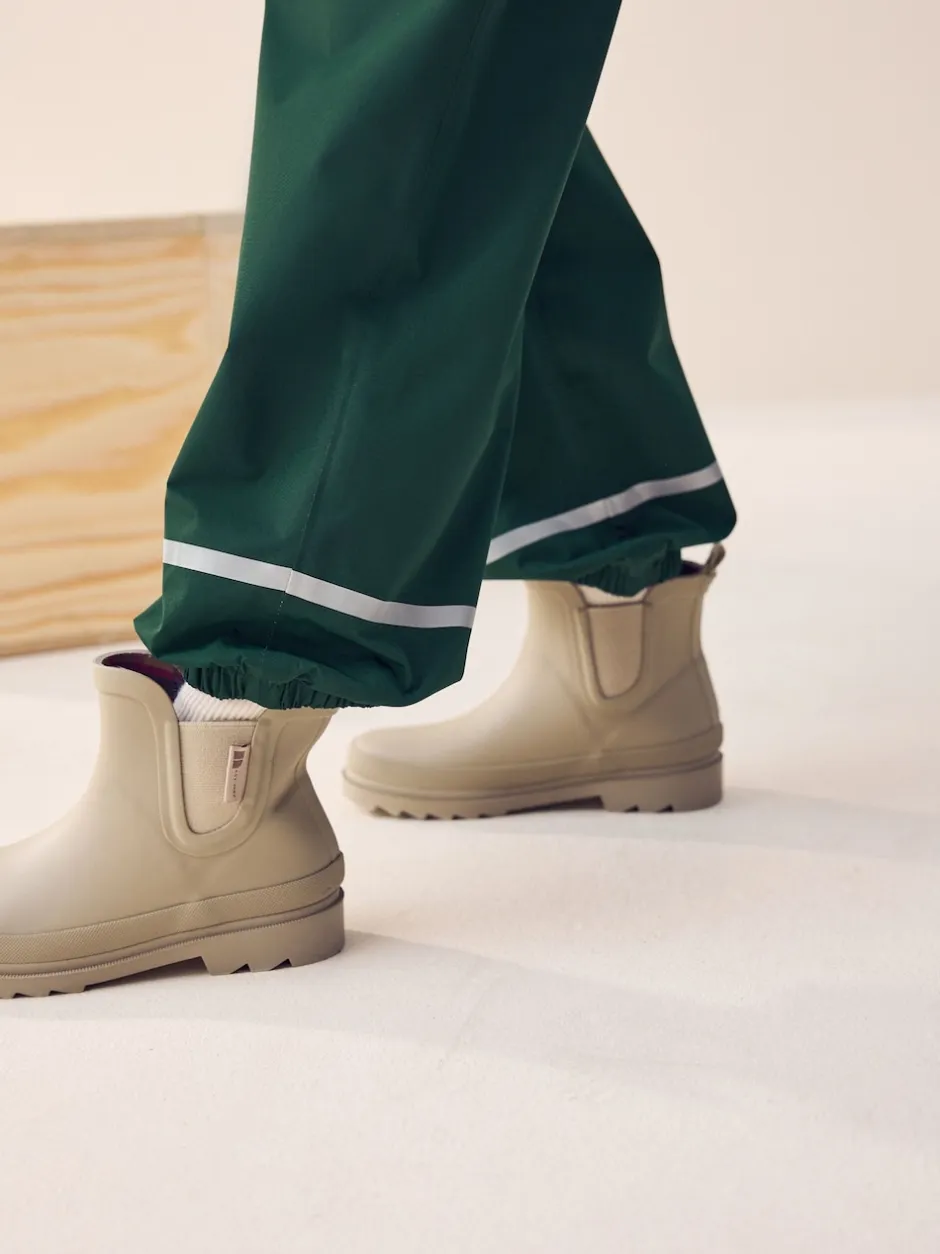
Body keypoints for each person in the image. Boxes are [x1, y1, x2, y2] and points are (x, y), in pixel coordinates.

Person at [0, 2, 735, 997]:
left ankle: (218, 776)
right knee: (488, 59)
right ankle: (622, 640)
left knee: (393, 49)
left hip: (219, 785)